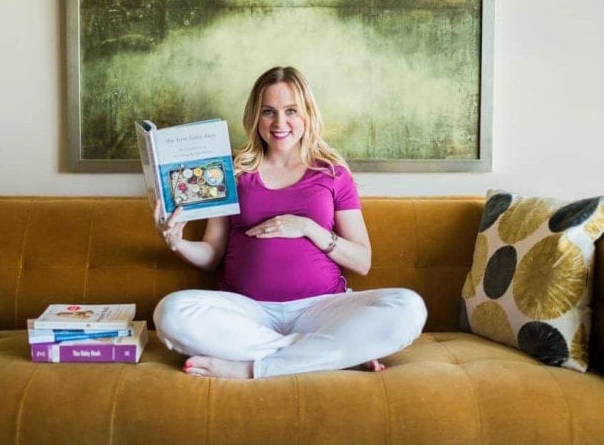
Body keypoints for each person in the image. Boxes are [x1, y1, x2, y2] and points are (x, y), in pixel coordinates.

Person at [152, 66, 427, 379]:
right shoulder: (232, 172)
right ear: (256, 117)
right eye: (269, 112)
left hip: (322, 309)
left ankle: (252, 368)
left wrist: (308, 228)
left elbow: (362, 261)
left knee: (408, 307)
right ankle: (326, 353)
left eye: (291, 111)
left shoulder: (333, 173)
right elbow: (212, 255)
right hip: (247, 312)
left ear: (307, 114)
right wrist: (176, 241)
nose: (279, 123)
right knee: (171, 313)